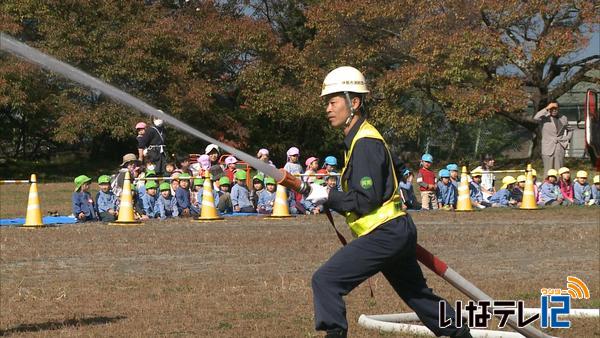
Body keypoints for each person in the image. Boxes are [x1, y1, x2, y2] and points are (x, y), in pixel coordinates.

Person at [305, 66, 470, 338]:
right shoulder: (362, 138)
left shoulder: (365, 143)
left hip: (385, 234)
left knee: (326, 280)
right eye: (327, 102)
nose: (328, 109)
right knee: (420, 298)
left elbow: (366, 200)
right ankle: (460, 335)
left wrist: (328, 195)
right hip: (394, 231)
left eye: (333, 102)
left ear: (354, 102)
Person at [533, 102, 573, 175]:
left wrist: (566, 139)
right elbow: (535, 117)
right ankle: (547, 186)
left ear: (559, 109)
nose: (554, 110)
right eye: (552, 108)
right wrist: (547, 108)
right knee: (548, 172)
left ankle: (559, 186)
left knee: (559, 171)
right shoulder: (544, 117)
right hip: (548, 147)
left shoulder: (563, 118)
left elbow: (570, 129)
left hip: (560, 147)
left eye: (556, 108)